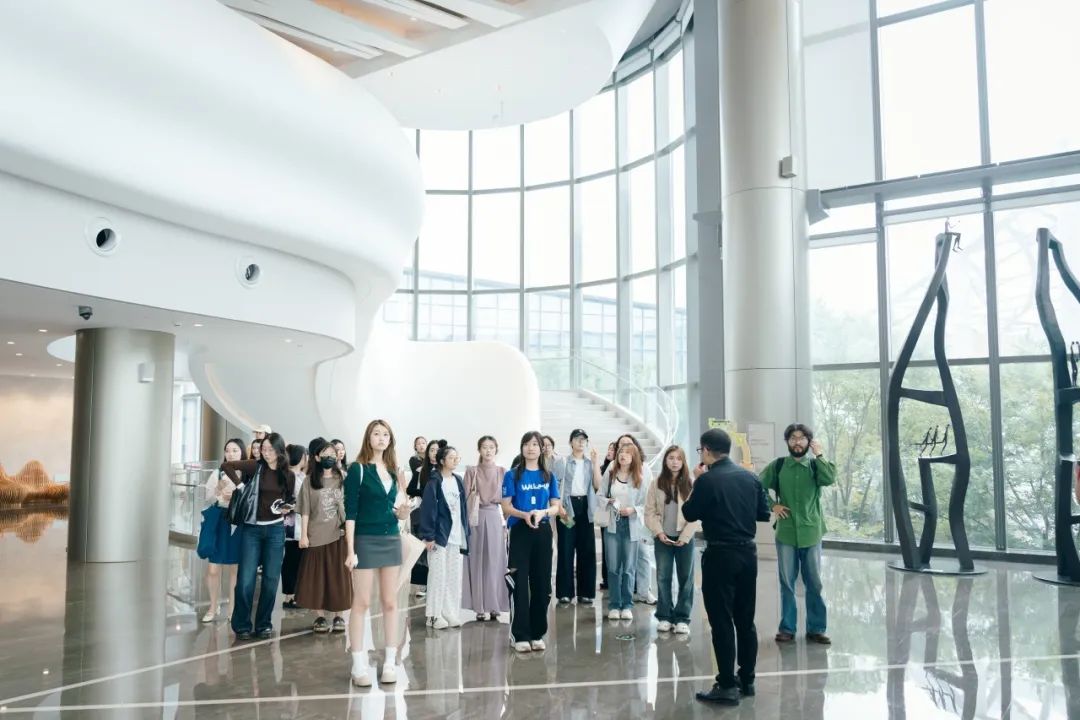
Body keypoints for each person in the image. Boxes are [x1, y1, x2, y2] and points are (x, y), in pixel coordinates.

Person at [681, 428, 771, 706]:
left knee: (721, 621)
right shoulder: (750, 477)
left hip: (720, 555)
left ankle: (727, 685)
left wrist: (697, 481)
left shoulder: (707, 480)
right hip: (748, 555)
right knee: (745, 620)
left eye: (701, 451)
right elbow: (763, 514)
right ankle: (747, 679)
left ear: (707, 450)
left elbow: (689, 513)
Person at [344, 419, 412, 686]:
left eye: (386, 434)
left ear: (390, 440)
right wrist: (350, 550)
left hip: (391, 538)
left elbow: (396, 509)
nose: (381, 438)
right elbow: (350, 513)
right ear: (368, 438)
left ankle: (390, 662)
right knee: (361, 602)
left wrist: (402, 513)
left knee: (390, 602)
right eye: (376, 434)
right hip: (364, 539)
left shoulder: (394, 471)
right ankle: (358, 665)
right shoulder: (358, 469)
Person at [759, 423, 836, 646]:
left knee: (815, 583)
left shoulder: (815, 466)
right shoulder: (778, 466)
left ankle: (816, 629)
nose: (797, 442)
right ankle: (787, 628)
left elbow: (830, 478)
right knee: (787, 583)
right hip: (786, 533)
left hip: (812, 532)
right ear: (787, 442)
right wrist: (773, 505)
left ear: (809, 442)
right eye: (793, 438)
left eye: (802, 438)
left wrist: (819, 454)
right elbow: (757, 486)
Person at [221, 432, 297, 640]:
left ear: (279, 451)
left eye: (270, 449)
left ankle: (264, 624)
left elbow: (289, 499)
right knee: (246, 579)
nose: (266, 452)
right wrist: (240, 486)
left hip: (276, 530)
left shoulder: (288, 475)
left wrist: (286, 508)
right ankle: (242, 625)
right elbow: (227, 466)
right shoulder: (256, 466)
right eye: (263, 448)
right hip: (252, 529)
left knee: (271, 580)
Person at [501, 431, 561, 652]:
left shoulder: (548, 476)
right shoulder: (512, 475)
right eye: (527, 444)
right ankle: (519, 635)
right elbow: (505, 506)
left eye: (535, 444)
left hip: (542, 531)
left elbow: (556, 506)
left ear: (541, 448)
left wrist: (543, 512)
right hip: (519, 531)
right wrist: (523, 515)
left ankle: (537, 633)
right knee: (519, 582)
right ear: (522, 448)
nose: (531, 448)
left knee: (542, 584)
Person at [295, 438, 351, 633]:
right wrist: (304, 535)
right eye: (325, 455)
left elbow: (350, 506)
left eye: (333, 454)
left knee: (338, 577)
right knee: (316, 578)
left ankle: (338, 616)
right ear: (317, 457)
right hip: (316, 534)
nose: (330, 457)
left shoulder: (343, 478)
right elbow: (305, 510)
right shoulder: (309, 480)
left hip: (338, 535)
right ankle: (319, 616)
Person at [644, 446, 700, 635]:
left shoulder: (692, 484)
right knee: (663, 577)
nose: (675, 462)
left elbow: (696, 514)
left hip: (685, 539)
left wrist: (684, 537)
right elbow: (649, 512)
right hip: (663, 538)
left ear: (683, 461)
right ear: (665, 461)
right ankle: (665, 616)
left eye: (678, 458)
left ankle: (683, 617)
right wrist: (659, 533)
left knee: (686, 578)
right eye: (671, 458)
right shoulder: (656, 483)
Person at [419, 442, 470, 629]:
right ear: (441, 461)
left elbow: (462, 509)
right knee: (437, 576)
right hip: (439, 537)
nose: (455, 460)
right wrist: (428, 536)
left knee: (453, 577)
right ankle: (433, 615)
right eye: (451, 458)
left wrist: (465, 533)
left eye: (457, 458)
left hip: (455, 536)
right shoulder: (434, 482)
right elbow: (428, 509)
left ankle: (450, 612)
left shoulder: (458, 480)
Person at [598, 443, 649, 622]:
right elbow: (599, 496)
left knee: (629, 568)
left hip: (631, 525)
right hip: (613, 524)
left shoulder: (639, 477)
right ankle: (614, 604)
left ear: (634, 457)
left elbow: (646, 504)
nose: (623, 455)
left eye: (628, 453)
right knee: (613, 567)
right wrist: (609, 501)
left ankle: (627, 605)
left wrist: (633, 510)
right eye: (621, 452)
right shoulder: (611, 473)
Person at [197, 438, 246, 623]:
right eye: (227, 450)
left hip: (237, 522)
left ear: (242, 452)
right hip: (219, 520)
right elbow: (208, 497)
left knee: (235, 568)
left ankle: (232, 608)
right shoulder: (218, 472)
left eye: (235, 450)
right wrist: (218, 491)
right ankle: (213, 606)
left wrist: (235, 497)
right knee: (213, 568)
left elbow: (251, 498)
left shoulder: (247, 473)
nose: (230, 454)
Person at [462, 436, 510, 622]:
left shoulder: (502, 472)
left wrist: (506, 523)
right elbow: (465, 499)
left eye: (491, 447)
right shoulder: (471, 471)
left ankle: (494, 605)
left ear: (496, 450)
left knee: (496, 561)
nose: (488, 450)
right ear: (479, 450)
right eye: (484, 447)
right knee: (477, 561)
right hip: (475, 518)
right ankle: (479, 607)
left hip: (495, 517)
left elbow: (507, 501)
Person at [553, 429, 602, 606]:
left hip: (586, 508)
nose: (581, 442)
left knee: (586, 550)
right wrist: (558, 507)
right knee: (566, 548)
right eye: (577, 439)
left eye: (584, 440)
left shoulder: (589, 463)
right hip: (567, 508)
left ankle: (586, 593)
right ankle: (564, 593)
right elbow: (555, 485)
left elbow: (597, 485)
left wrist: (596, 463)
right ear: (570, 442)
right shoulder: (562, 462)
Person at [616, 434, 657, 606]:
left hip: (639, 518)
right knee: (621, 560)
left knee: (643, 555)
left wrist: (635, 510)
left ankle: (644, 591)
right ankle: (622, 594)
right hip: (618, 519)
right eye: (622, 446)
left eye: (629, 445)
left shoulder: (644, 469)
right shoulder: (614, 469)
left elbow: (649, 495)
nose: (625, 449)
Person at [408, 439, 441, 597]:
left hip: (441, 515)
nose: (434, 453)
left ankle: (437, 585)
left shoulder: (445, 471)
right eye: (431, 450)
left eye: (437, 450)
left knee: (439, 551)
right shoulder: (421, 470)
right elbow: (410, 489)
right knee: (424, 550)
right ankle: (425, 584)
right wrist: (426, 493)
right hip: (424, 513)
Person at [281, 444, 307, 610]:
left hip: (299, 524)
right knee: (291, 561)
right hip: (291, 525)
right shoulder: (289, 476)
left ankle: (295, 594)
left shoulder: (302, 476)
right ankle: (290, 596)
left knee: (296, 561)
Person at [599, 441, 617, 591]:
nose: (609, 451)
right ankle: (606, 579)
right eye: (609, 448)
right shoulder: (603, 468)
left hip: (619, 512)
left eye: (613, 449)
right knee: (606, 546)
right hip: (605, 510)